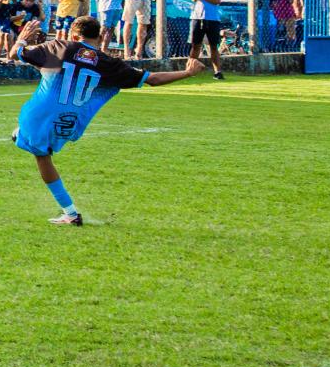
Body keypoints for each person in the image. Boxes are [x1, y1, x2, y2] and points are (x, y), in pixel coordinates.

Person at [11, 14, 204, 226]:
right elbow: (153, 79)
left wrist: (23, 39)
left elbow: (16, 53)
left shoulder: (60, 46)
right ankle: (68, 210)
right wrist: (188, 72)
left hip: (40, 113)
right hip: (70, 120)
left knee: (40, 154)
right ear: (101, 34)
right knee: (42, 152)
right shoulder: (109, 63)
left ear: (74, 35)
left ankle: (72, 214)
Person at [189, 0, 229, 80]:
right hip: (197, 17)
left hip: (212, 19)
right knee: (195, 45)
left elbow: (216, 0)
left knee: (213, 46)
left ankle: (217, 72)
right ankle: (190, 70)